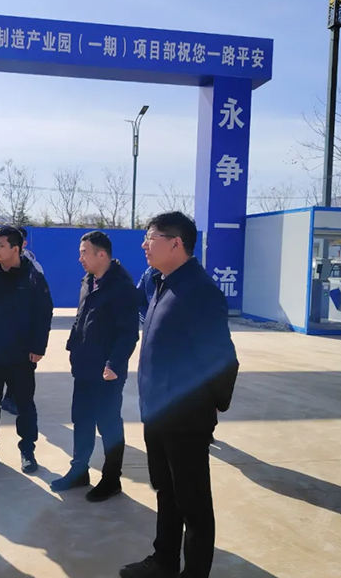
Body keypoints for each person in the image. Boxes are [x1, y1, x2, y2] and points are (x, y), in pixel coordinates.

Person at [120, 212, 239, 578]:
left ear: (176, 243)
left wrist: (203, 407)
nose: (144, 245)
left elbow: (223, 359)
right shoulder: (161, 282)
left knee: (193, 504)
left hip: (185, 419)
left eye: (151, 238)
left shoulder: (199, 291)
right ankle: (164, 561)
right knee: (166, 492)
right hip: (157, 412)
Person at [51, 231, 139, 502]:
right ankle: (79, 471)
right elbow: (81, 318)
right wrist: (72, 345)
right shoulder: (88, 280)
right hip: (84, 366)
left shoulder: (122, 287)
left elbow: (128, 333)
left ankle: (111, 480)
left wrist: (114, 364)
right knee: (82, 420)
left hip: (107, 372)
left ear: (102, 255)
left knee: (108, 425)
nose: (80, 258)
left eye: (84, 253)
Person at [0, 226, 54, 474]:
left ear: (17, 248)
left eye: (0, 245)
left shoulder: (33, 276)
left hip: (21, 355)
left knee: (25, 405)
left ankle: (27, 450)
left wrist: (38, 347)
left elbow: (43, 313)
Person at [0, 226, 44, 416]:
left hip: (23, 337)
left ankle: (13, 399)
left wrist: (37, 344)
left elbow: (42, 308)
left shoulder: (34, 268)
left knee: (21, 376)